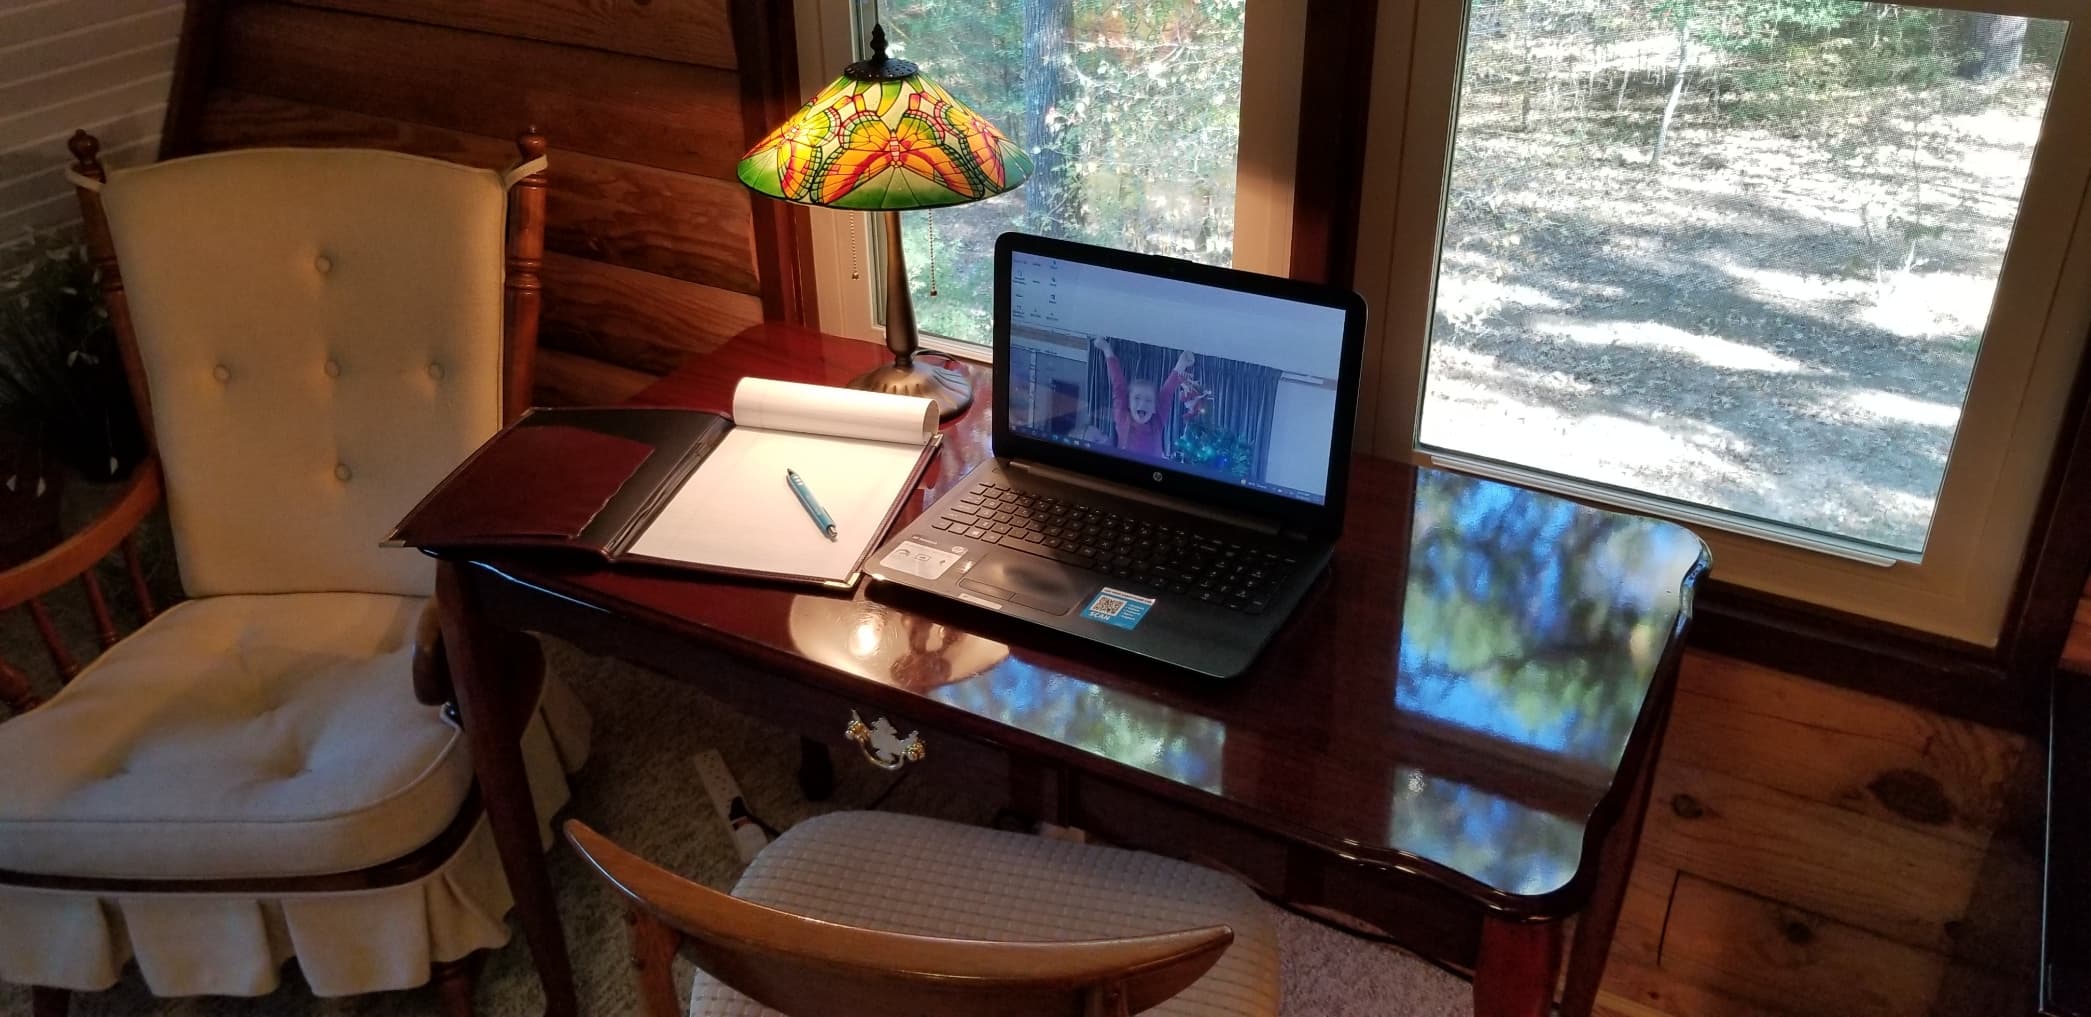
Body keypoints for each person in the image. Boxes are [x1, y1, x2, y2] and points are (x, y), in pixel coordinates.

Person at [1094, 338, 1193, 459]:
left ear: (1155, 408)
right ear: (1128, 403)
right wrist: (1106, 349)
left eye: (1148, 400)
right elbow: (1118, 384)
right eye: (1137, 398)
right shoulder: (1122, 418)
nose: (1142, 404)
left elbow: (1167, 391)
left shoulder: (1157, 422)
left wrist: (1182, 363)